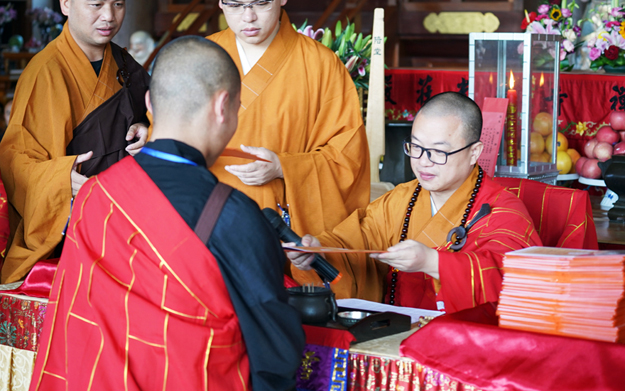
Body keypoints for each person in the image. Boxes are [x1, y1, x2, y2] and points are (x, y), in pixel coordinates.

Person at [30, 36, 305, 390]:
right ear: (223, 107)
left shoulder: (92, 197)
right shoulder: (232, 216)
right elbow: (274, 354)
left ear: (149, 103)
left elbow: (73, 326)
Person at [289, 92, 543, 314]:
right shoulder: (403, 199)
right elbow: (357, 240)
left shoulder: (502, 211)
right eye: (416, 147)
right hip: (393, 338)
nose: (423, 162)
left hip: (463, 347)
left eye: (438, 152)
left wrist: (433, 263)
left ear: (474, 153)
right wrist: (319, 252)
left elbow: (515, 281)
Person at [207, 0, 370, 284]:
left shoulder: (320, 64)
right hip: (211, 218)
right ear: (220, 3)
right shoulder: (199, 58)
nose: (249, 16)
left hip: (284, 225)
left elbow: (347, 156)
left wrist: (286, 167)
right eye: (235, 5)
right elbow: (168, 132)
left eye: (260, 3)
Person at [0, 0, 150, 283]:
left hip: (127, 216)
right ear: (66, 4)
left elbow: (160, 112)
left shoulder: (124, 63)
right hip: (69, 225)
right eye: (96, 4)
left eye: (118, 4)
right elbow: (13, 159)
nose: (109, 16)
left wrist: (147, 130)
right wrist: (58, 179)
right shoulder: (44, 70)